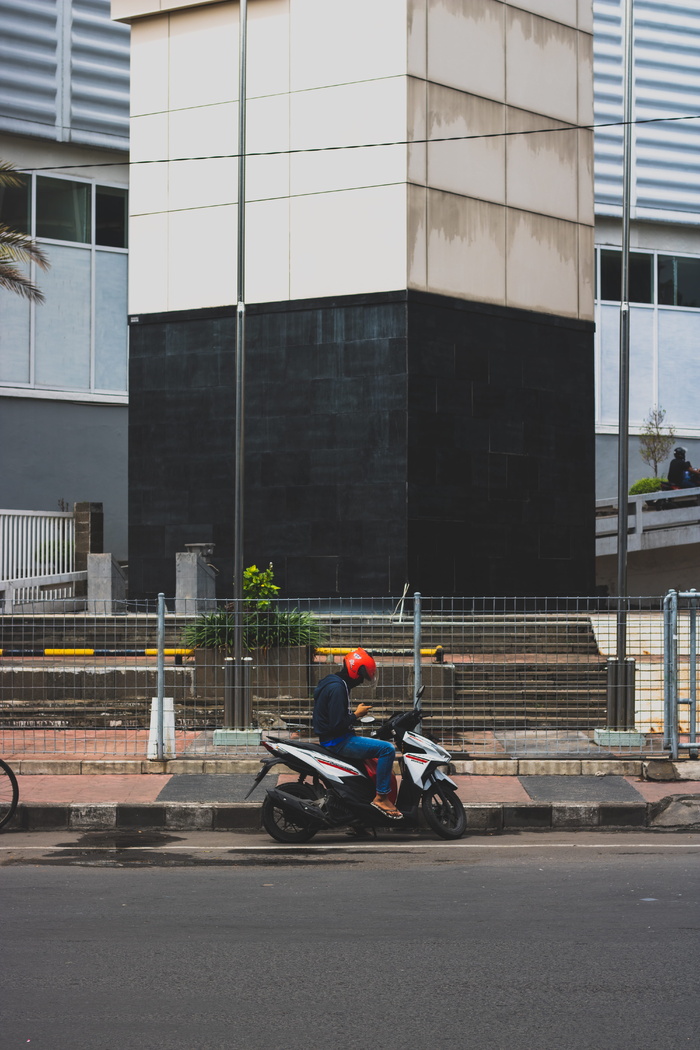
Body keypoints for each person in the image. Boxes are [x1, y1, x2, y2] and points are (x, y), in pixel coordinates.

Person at [312, 646, 402, 819]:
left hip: (333, 738)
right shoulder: (338, 688)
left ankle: (358, 819)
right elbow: (337, 725)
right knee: (387, 749)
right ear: (355, 672)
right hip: (338, 741)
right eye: (363, 677)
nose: (362, 681)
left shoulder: (333, 681)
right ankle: (382, 797)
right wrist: (356, 715)